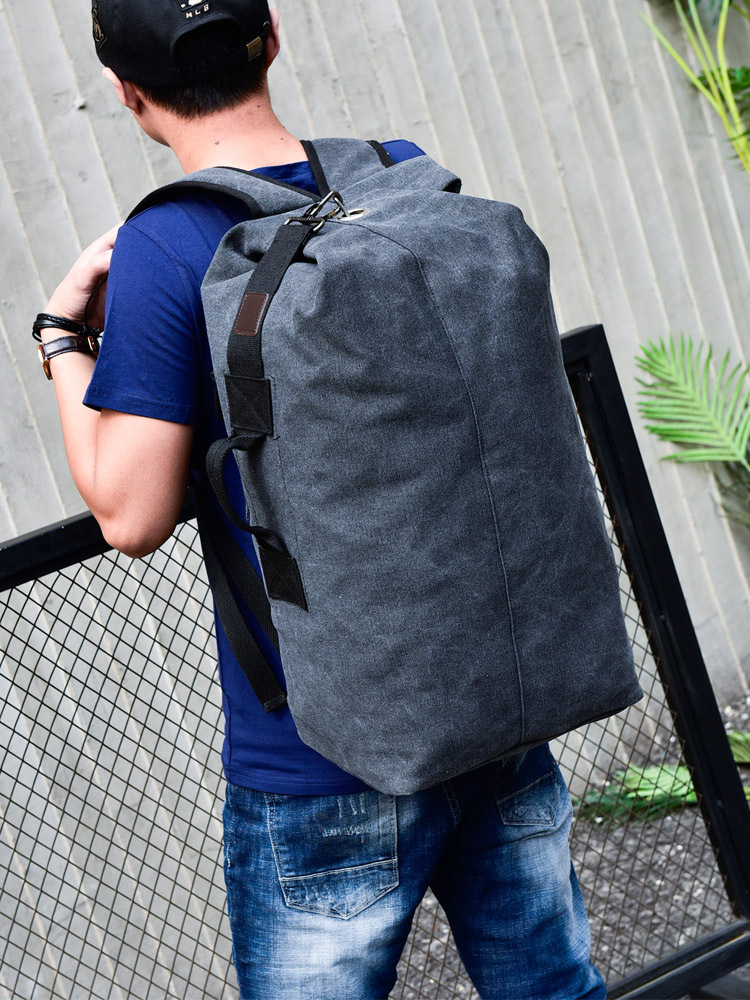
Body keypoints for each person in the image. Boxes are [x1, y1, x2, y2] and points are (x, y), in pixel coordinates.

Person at [36, 2, 608, 997]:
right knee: (554, 986)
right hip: (489, 703)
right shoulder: (400, 174)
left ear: (127, 94)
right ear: (272, 40)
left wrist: (61, 339)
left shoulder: (170, 245)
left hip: (319, 762)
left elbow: (130, 515)